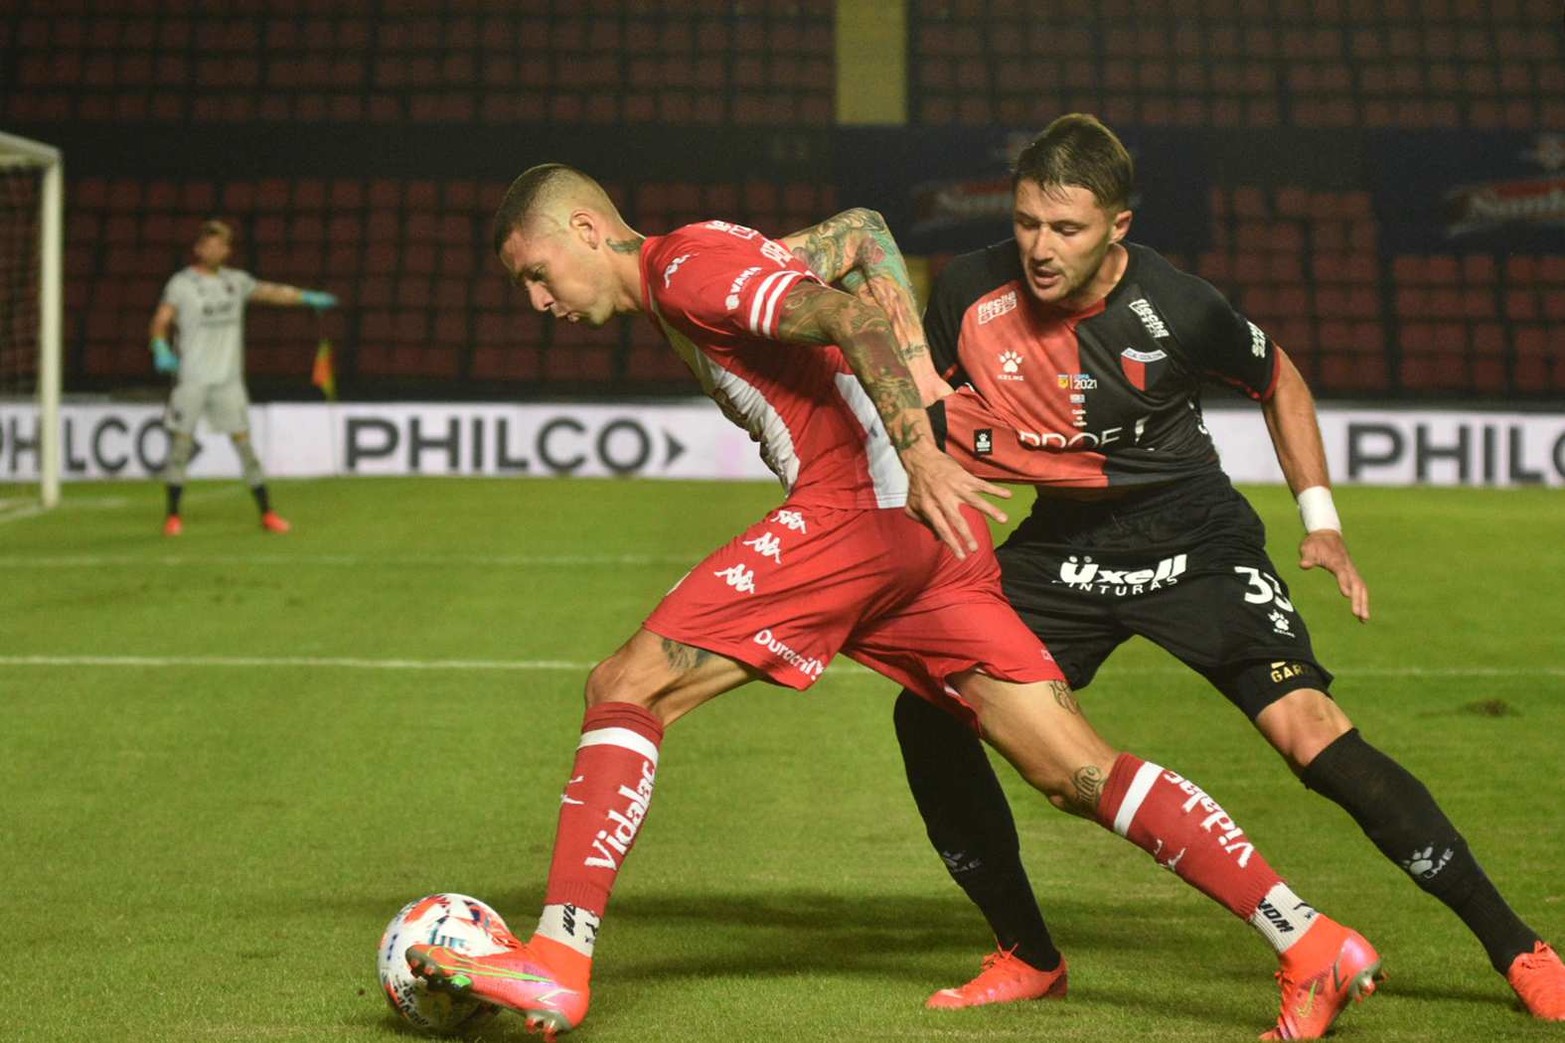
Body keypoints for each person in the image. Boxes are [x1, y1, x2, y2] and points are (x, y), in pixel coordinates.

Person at [405, 164, 1382, 1041]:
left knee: (628, 682)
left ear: (584, 228)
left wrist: (916, 442)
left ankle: (557, 960)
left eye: (536, 272)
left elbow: (852, 316)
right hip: (931, 546)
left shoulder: (681, 271)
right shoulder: (717, 261)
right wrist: (921, 394)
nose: (537, 301)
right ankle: (1311, 939)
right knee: (1072, 766)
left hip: (860, 513)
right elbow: (866, 230)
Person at [788, 113, 1565, 1022]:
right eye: (1028, 221)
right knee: (929, 715)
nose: (1040, 247)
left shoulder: (1177, 305)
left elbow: (1279, 378)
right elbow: (935, 403)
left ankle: (1520, 949)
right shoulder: (966, 288)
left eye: (1066, 229)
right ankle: (1028, 954)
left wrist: (1320, 520)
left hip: (1192, 536)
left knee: (1309, 732)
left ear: (1118, 225)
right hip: (1065, 545)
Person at [148, 219, 338, 536]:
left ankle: (267, 513)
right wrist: (159, 347)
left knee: (245, 447)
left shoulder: (236, 281)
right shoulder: (180, 284)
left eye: (222, 244)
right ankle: (173, 516)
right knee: (181, 447)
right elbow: (161, 320)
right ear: (198, 249)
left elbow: (271, 292)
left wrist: (306, 297)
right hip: (192, 379)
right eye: (211, 244)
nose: (217, 249)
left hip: (227, 382)